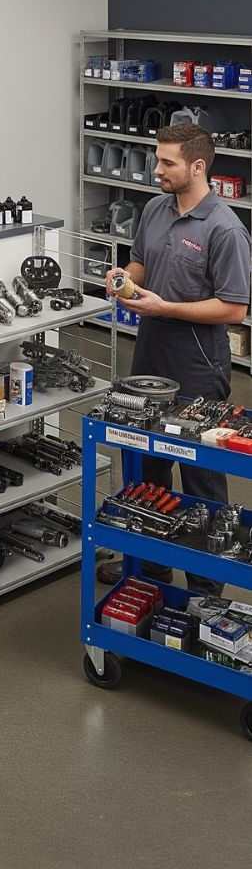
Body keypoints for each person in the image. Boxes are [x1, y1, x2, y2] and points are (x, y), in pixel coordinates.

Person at [100, 122, 250, 593]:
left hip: (197, 365)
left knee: (201, 478)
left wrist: (165, 307)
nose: (156, 169)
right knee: (145, 467)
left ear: (198, 167)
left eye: (167, 162)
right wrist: (124, 276)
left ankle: (205, 591)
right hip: (148, 356)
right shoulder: (155, 209)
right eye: (156, 158)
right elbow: (141, 261)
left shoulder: (225, 229)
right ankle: (150, 571)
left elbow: (234, 307)